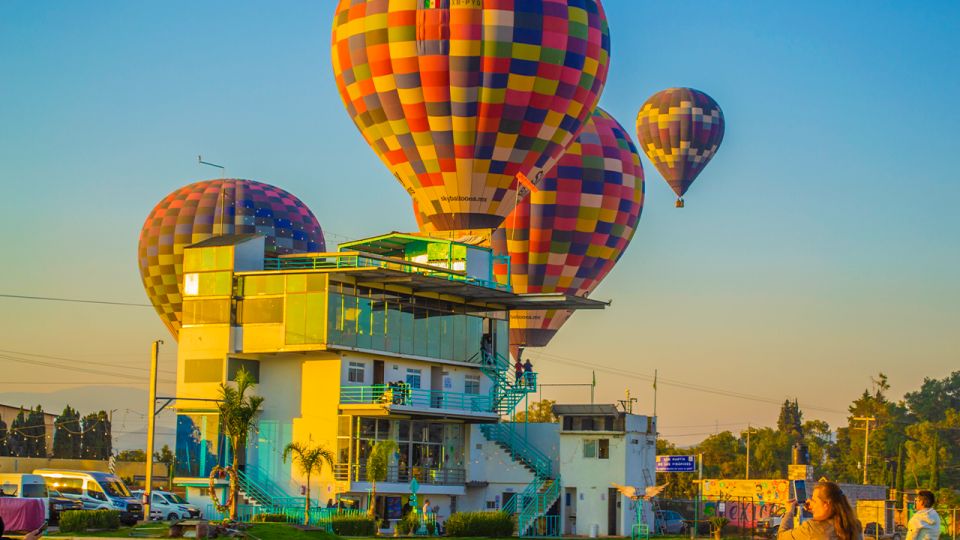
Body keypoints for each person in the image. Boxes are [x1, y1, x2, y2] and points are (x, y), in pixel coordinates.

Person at [778, 481, 862, 540]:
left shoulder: (812, 528)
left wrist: (789, 512)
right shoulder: (855, 525)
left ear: (826, 504)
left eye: (814, 501)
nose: (812, 503)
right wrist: (816, 510)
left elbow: (782, 537)